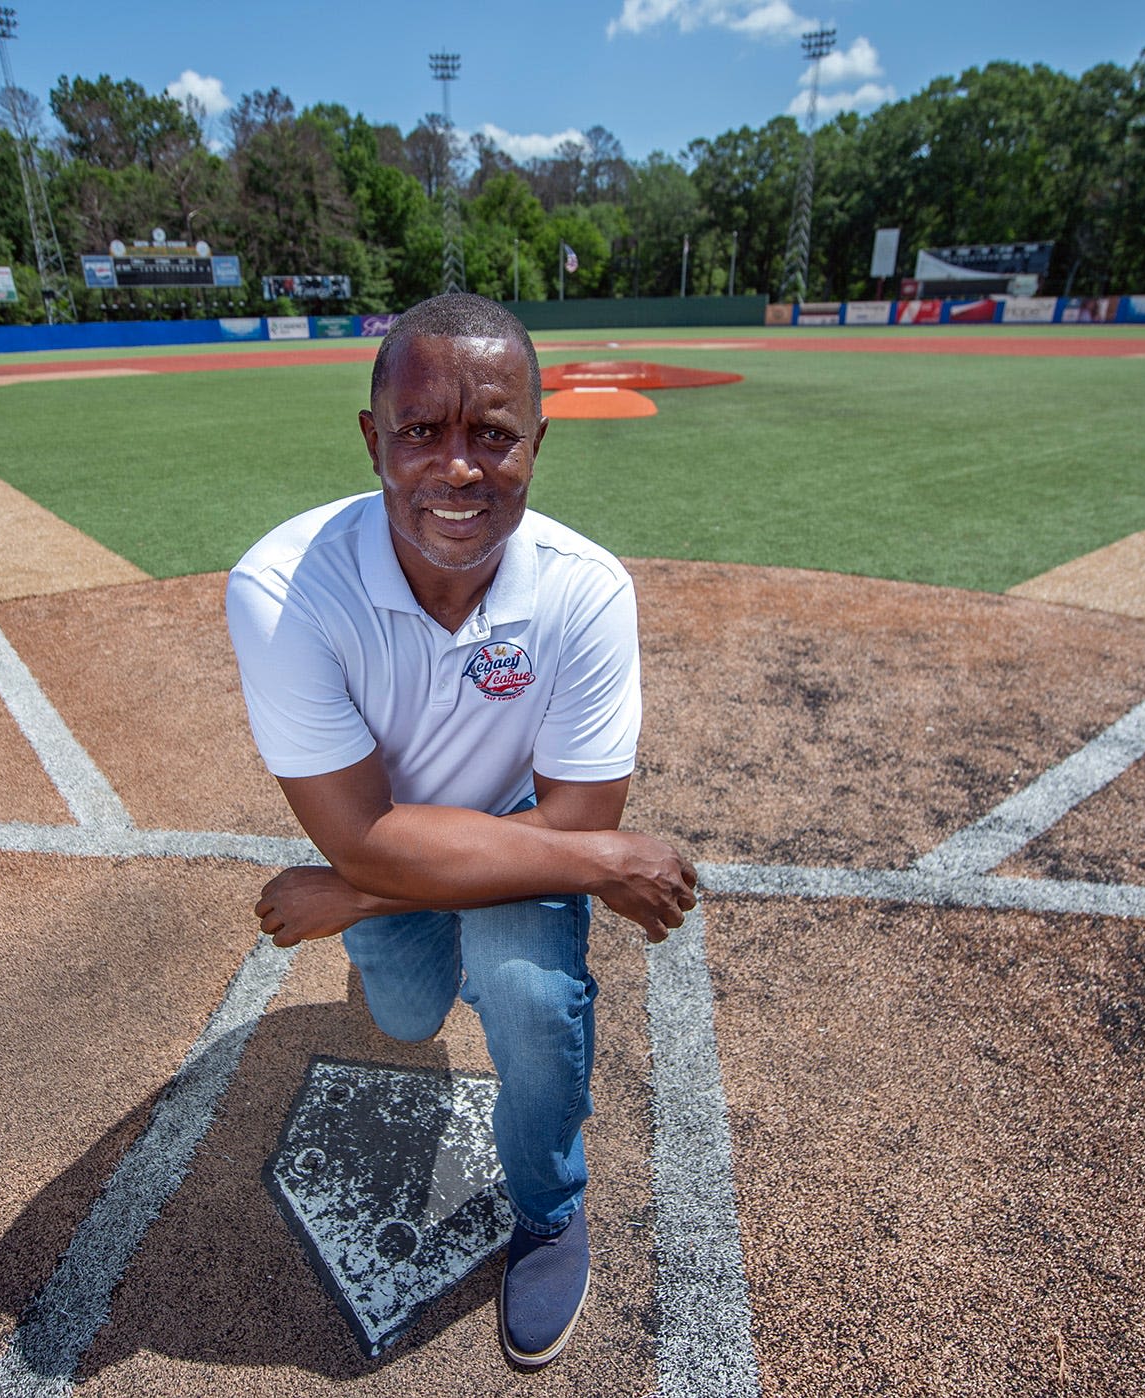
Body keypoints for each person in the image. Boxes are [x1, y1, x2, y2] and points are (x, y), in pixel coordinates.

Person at [224, 292, 697, 1367]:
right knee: (404, 1014)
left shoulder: (585, 593)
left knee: (527, 987)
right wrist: (591, 862)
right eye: (420, 431)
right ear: (372, 439)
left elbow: (568, 820)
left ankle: (547, 1209)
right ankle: (406, 931)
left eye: (493, 433)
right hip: (430, 844)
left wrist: (352, 887)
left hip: (503, 845)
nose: (458, 467)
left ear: (538, 440)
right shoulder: (284, 590)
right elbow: (579, 846)